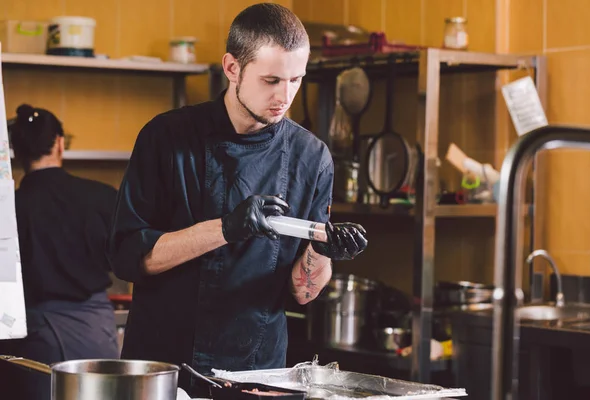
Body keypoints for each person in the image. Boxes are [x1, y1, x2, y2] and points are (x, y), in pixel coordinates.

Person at [107, 3, 368, 396]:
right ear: (232, 68)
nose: (285, 96)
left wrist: (323, 250)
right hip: (164, 366)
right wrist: (226, 228)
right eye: (271, 80)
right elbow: (130, 256)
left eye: (296, 79)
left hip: (256, 374)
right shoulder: (167, 138)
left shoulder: (311, 157)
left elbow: (303, 291)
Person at [0, 104, 119, 400]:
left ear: (16, 151)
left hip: (30, 337)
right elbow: (128, 259)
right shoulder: (101, 196)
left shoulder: (9, 208)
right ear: (59, 142)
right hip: (95, 334)